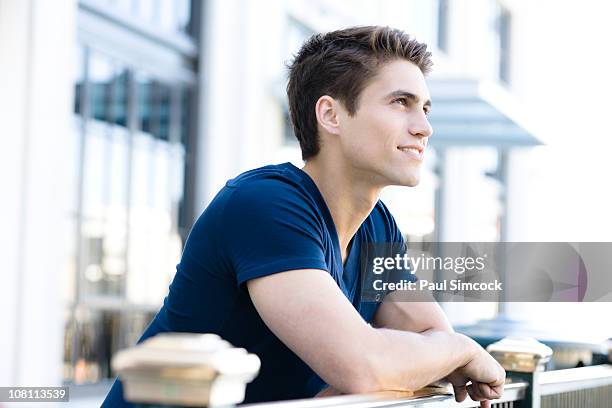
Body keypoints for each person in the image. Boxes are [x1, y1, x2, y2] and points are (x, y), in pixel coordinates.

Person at [102, 25, 505, 408]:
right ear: (330, 115)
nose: (424, 128)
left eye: (425, 108)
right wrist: (461, 349)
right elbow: (369, 366)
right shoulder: (266, 204)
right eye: (401, 103)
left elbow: (426, 340)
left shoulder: (378, 227)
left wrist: (420, 357)